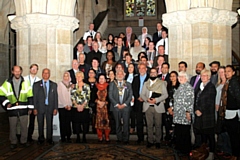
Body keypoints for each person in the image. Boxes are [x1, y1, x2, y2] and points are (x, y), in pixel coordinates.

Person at [0, 66, 33, 149]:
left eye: (19, 71)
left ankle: (23, 141)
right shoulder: (7, 83)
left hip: (23, 108)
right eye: (16, 71)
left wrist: (30, 108)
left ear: (21, 71)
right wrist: (6, 103)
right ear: (12, 72)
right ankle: (13, 142)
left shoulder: (26, 82)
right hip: (12, 109)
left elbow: (30, 96)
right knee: (12, 126)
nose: (17, 73)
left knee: (24, 127)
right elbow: (1, 95)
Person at [140, 67, 168, 148]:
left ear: (157, 74)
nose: (153, 74)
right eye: (151, 72)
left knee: (158, 125)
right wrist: (147, 99)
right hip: (148, 106)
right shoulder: (146, 83)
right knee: (149, 125)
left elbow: (165, 95)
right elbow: (142, 94)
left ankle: (158, 141)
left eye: (154, 72)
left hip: (157, 106)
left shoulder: (161, 83)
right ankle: (150, 140)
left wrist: (156, 100)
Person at [193, 69, 216, 160]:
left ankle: (211, 153)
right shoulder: (200, 86)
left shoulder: (211, 87)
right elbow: (196, 99)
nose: (203, 77)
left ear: (209, 77)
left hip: (207, 116)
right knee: (203, 136)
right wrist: (196, 109)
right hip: (199, 116)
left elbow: (209, 102)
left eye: (205, 75)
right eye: (202, 75)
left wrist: (201, 110)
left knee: (210, 136)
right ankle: (203, 152)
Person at [33, 68, 58, 145]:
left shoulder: (53, 85)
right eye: (44, 73)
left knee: (49, 123)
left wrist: (55, 108)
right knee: (40, 123)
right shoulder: (36, 84)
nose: (45, 74)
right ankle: (41, 138)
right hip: (40, 107)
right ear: (42, 74)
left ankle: (49, 138)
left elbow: (55, 97)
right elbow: (35, 97)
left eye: (47, 73)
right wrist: (35, 108)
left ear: (49, 74)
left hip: (50, 107)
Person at [172, 71, 194, 155]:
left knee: (184, 133)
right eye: (179, 77)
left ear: (186, 78)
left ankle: (185, 150)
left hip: (184, 114)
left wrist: (188, 112)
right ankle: (179, 148)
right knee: (179, 132)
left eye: (182, 77)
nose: (180, 78)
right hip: (178, 114)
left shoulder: (188, 87)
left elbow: (190, 101)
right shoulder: (180, 86)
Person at [108, 70, 133, 144]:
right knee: (117, 123)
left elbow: (130, 95)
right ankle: (119, 138)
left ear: (124, 75)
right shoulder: (112, 84)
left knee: (126, 123)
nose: (119, 75)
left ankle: (126, 139)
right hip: (116, 107)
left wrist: (124, 104)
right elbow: (110, 95)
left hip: (126, 107)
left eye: (121, 74)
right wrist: (117, 104)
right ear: (115, 75)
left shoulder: (128, 84)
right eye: (118, 74)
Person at [223, 65, 240, 160]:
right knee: (231, 135)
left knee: (234, 136)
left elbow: (238, 98)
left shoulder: (234, 83)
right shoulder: (229, 82)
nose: (226, 73)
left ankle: (236, 155)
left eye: (228, 71)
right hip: (229, 112)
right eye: (225, 71)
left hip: (234, 112)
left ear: (233, 72)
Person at [215, 66, 232, 156]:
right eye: (220, 72)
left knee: (225, 131)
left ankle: (227, 150)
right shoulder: (218, 84)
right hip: (218, 110)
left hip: (225, 110)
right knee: (220, 130)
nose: (221, 74)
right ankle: (221, 148)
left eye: (223, 72)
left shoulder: (228, 84)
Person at [71, 71, 91, 143]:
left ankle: (84, 136)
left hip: (85, 107)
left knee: (85, 123)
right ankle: (78, 137)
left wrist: (82, 106)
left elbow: (88, 97)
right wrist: (77, 105)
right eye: (77, 76)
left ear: (82, 77)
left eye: (80, 76)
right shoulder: (74, 86)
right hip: (75, 107)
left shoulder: (87, 86)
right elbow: (72, 97)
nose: (78, 78)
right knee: (76, 122)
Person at [131, 63, 149, 144]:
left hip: (147, 102)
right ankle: (140, 137)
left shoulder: (149, 78)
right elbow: (133, 89)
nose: (141, 70)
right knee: (139, 120)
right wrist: (138, 97)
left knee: (149, 121)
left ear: (146, 69)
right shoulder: (136, 78)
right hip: (138, 102)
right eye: (140, 68)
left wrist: (145, 98)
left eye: (143, 68)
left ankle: (150, 137)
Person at [24, 64, 41, 142]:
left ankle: (29, 136)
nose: (34, 70)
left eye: (36, 69)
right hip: (25, 102)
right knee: (23, 120)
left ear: (37, 71)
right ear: (30, 69)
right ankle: (22, 136)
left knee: (32, 120)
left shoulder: (39, 80)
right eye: (33, 68)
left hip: (34, 102)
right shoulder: (24, 79)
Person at [164, 71, 180, 142]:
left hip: (177, 108)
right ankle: (169, 137)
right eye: (171, 76)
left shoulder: (180, 86)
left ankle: (175, 138)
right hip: (168, 108)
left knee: (175, 125)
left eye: (174, 76)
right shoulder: (168, 86)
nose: (172, 77)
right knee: (168, 124)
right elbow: (166, 97)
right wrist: (168, 108)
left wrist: (173, 108)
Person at [95, 74, 111, 142]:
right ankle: (100, 136)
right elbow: (92, 97)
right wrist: (98, 101)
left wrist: (104, 102)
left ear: (105, 79)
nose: (101, 80)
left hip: (106, 107)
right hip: (98, 107)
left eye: (102, 78)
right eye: (100, 78)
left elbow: (110, 97)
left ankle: (107, 136)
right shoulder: (95, 87)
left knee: (106, 122)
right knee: (98, 122)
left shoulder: (108, 86)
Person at [57, 71, 72, 143]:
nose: (66, 77)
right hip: (62, 106)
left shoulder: (71, 85)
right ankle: (63, 136)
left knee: (68, 122)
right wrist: (65, 104)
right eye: (65, 76)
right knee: (62, 122)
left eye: (67, 76)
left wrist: (70, 105)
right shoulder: (60, 84)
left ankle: (68, 136)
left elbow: (72, 96)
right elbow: (60, 95)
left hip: (69, 107)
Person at [85, 69, 98, 134]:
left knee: (95, 116)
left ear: (95, 74)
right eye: (90, 72)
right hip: (87, 101)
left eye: (92, 73)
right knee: (87, 116)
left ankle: (94, 129)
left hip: (96, 101)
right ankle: (86, 130)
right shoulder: (85, 82)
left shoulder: (97, 82)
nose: (91, 74)